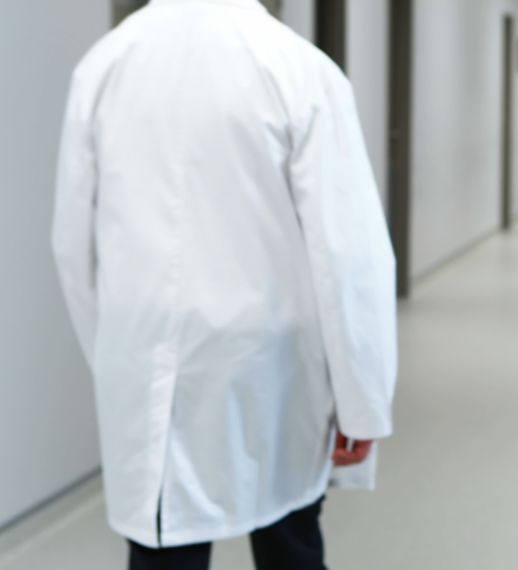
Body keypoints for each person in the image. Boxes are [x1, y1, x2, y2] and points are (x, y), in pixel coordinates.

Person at [51, 0, 397, 568]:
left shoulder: (104, 65)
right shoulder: (298, 68)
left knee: (165, 546)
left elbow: (72, 245)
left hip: (149, 370)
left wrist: (119, 359)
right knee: (290, 542)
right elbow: (347, 255)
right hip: (274, 371)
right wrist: (364, 401)